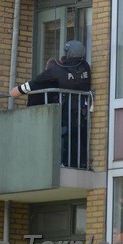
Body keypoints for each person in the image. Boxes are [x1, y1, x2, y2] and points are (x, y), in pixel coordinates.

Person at [10, 40, 91, 168]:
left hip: (65, 112)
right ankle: (77, 162)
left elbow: (36, 82)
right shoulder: (86, 67)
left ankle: (63, 162)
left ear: (70, 53)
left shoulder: (58, 71)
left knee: (64, 135)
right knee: (77, 137)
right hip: (81, 112)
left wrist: (17, 90)